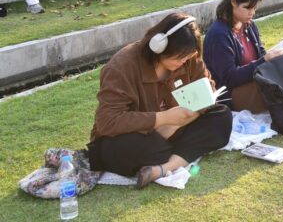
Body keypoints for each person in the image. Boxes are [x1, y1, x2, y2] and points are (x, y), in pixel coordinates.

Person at [86, 12, 232, 188]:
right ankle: (177, 156)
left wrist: (178, 123)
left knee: (222, 117)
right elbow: (107, 121)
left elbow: (208, 89)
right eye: (179, 57)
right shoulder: (122, 67)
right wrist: (163, 119)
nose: (184, 61)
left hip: (176, 129)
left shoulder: (189, 58)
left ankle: (162, 168)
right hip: (134, 137)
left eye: (188, 57)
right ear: (159, 46)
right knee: (145, 149)